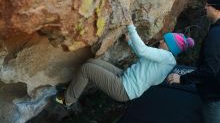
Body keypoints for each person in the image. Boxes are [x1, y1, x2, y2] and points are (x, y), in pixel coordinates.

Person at [56, 24, 194, 108]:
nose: (161, 40)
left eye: (165, 40)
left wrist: (130, 26)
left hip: (123, 89)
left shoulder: (165, 56)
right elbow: (145, 58)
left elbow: (143, 50)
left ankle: (67, 101)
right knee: (91, 63)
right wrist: (129, 42)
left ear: (170, 47)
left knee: (87, 69)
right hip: (124, 78)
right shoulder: (167, 61)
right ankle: (73, 88)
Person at [167, 0, 220, 123]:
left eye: (209, 5)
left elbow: (210, 69)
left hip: (215, 98)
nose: (205, 7)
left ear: (218, 10)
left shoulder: (215, 34)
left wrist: (182, 79)